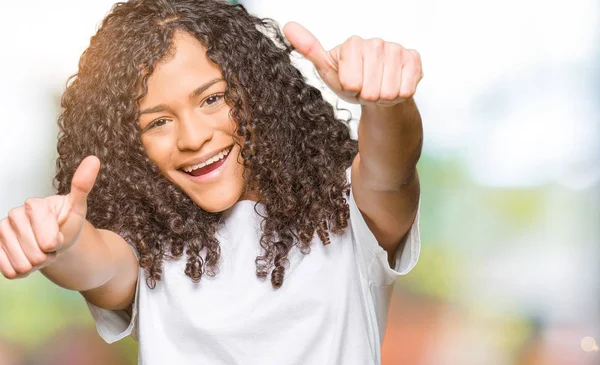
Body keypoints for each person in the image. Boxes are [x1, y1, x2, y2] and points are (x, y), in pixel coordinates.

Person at [0, 0, 423, 364]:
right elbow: (96, 263)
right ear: (130, 147)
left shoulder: (345, 211)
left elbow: (392, 174)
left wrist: (386, 103)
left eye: (212, 98)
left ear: (258, 91)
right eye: (158, 122)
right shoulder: (148, 250)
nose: (193, 137)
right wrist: (62, 243)